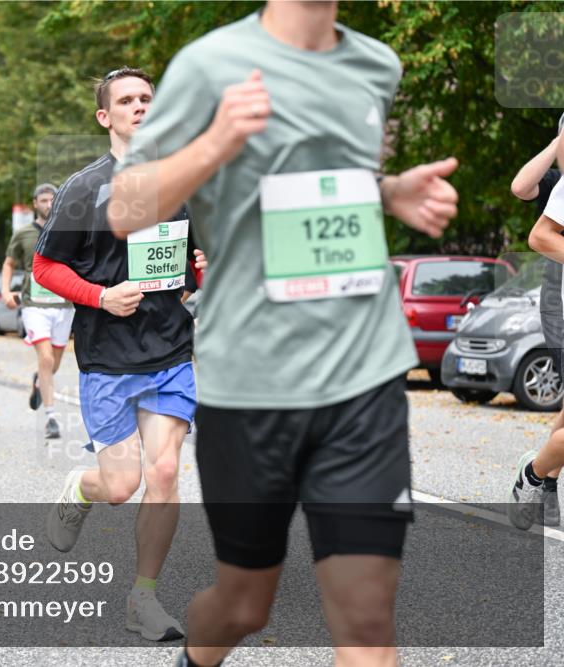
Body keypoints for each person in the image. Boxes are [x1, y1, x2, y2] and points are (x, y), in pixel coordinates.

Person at [109, 3, 460, 665]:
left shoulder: (376, 64)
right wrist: (216, 141)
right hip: (252, 383)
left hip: (364, 373)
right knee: (244, 606)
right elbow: (125, 210)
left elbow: (321, 177)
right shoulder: (209, 66)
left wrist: (388, 193)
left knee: (366, 620)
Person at [33, 67, 204, 642]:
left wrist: (203, 269)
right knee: (122, 485)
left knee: (164, 471)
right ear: (105, 116)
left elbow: (191, 265)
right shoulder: (84, 188)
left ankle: (143, 598)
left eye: (147, 98)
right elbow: (45, 267)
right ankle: (81, 488)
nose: (140, 107)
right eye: (127, 100)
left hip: (171, 350)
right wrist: (100, 296)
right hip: (108, 356)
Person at [508, 113, 563, 527]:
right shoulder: (554, 183)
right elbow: (520, 188)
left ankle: (542, 480)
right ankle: (537, 476)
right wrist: (558, 141)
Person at [2, 183, 73, 438]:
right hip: (34, 305)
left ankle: (38, 381)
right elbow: (9, 264)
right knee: (46, 358)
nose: (48, 204)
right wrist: (5, 291)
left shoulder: (68, 231)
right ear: (35, 203)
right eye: (43, 200)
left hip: (64, 305)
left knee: (53, 363)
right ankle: (51, 418)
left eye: (52, 200)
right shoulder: (23, 234)